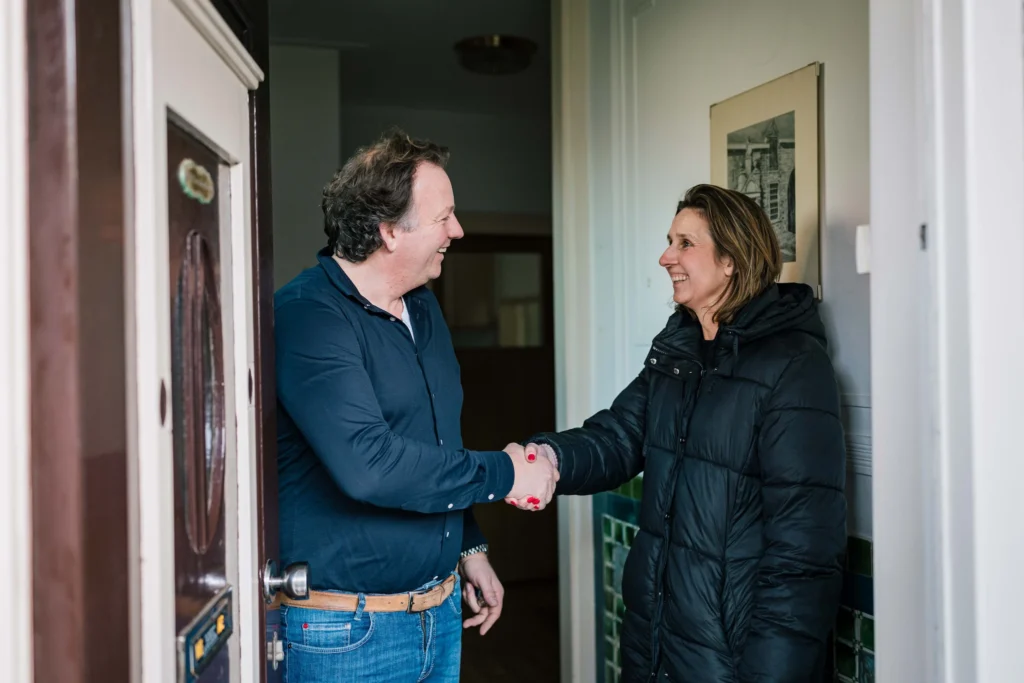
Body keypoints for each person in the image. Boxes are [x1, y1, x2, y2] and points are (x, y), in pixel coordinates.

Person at [512, 184, 846, 682]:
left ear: (731, 259)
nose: (666, 256)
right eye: (670, 241)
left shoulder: (794, 367)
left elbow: (804, 551)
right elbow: (618, 436)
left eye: (685, 243)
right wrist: (545, 456)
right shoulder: (678, 352)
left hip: (731, 660)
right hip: (656, 643)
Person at [274, 129, 558, 683]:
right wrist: (507, 473)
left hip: (440, 613)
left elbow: (435, 443)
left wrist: (468, 543)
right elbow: (371, 465)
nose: (458, 230)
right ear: (388, 232)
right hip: (347, 634)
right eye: (443, 217)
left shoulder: (423, 307)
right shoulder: (308, 316)